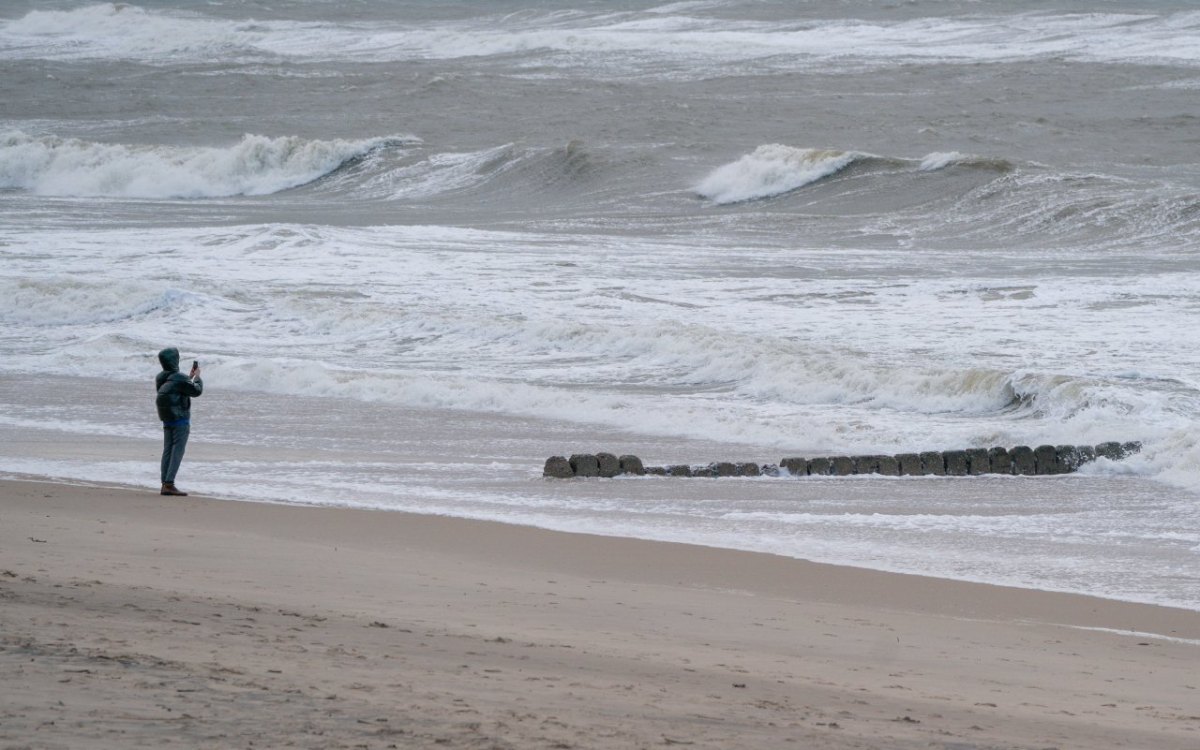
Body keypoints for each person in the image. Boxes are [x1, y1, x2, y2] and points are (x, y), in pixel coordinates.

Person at [155, 347, 203, 496]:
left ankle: (165, 483)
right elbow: (196, 391)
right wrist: (197, 377)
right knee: (178, 451)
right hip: (180, 419)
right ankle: (169, 484)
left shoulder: (161, 377)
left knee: (168, 450)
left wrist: (189, 378)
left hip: (167, 419)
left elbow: (178, 389)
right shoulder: (179, 378)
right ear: (174, 361)